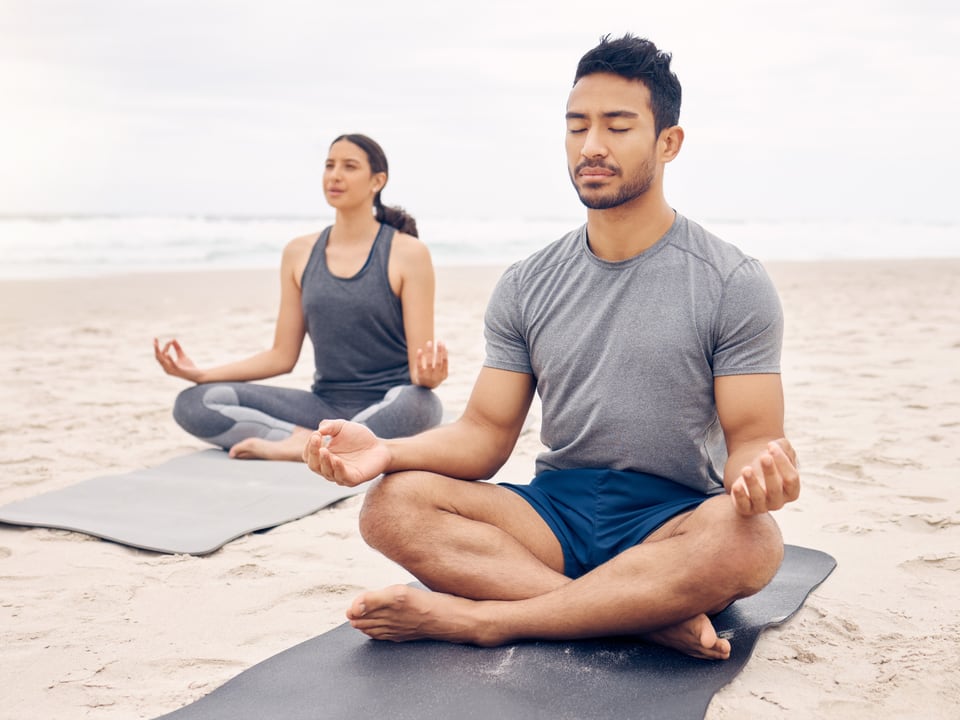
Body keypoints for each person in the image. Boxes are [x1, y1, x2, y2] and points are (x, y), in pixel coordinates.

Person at [303, 35, 800, 660]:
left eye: (618, 127)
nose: (591, 146)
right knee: (392, 505)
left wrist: (758, 475)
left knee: (752, 542)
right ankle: (634, 616)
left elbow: (753, 436)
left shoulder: (732, 281)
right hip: (553, 515)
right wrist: (385, 450)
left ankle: (487, 621)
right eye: (577, 128)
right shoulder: (527, 282)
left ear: (668, 142)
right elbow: (483, 433)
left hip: (673, 520)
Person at [154, 133, 448, 461]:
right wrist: (202, 374)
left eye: (349, 167)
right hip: (322, 405)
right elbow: (282, 356)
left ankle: (315, 445)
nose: (334, 175)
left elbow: (420, 369)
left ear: (377, 181)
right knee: (194, 403)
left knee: (422, 404)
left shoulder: (408, 253)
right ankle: (307, 442)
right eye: (329, 165)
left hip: (391, 403)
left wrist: (429, 377)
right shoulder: (299, 253)